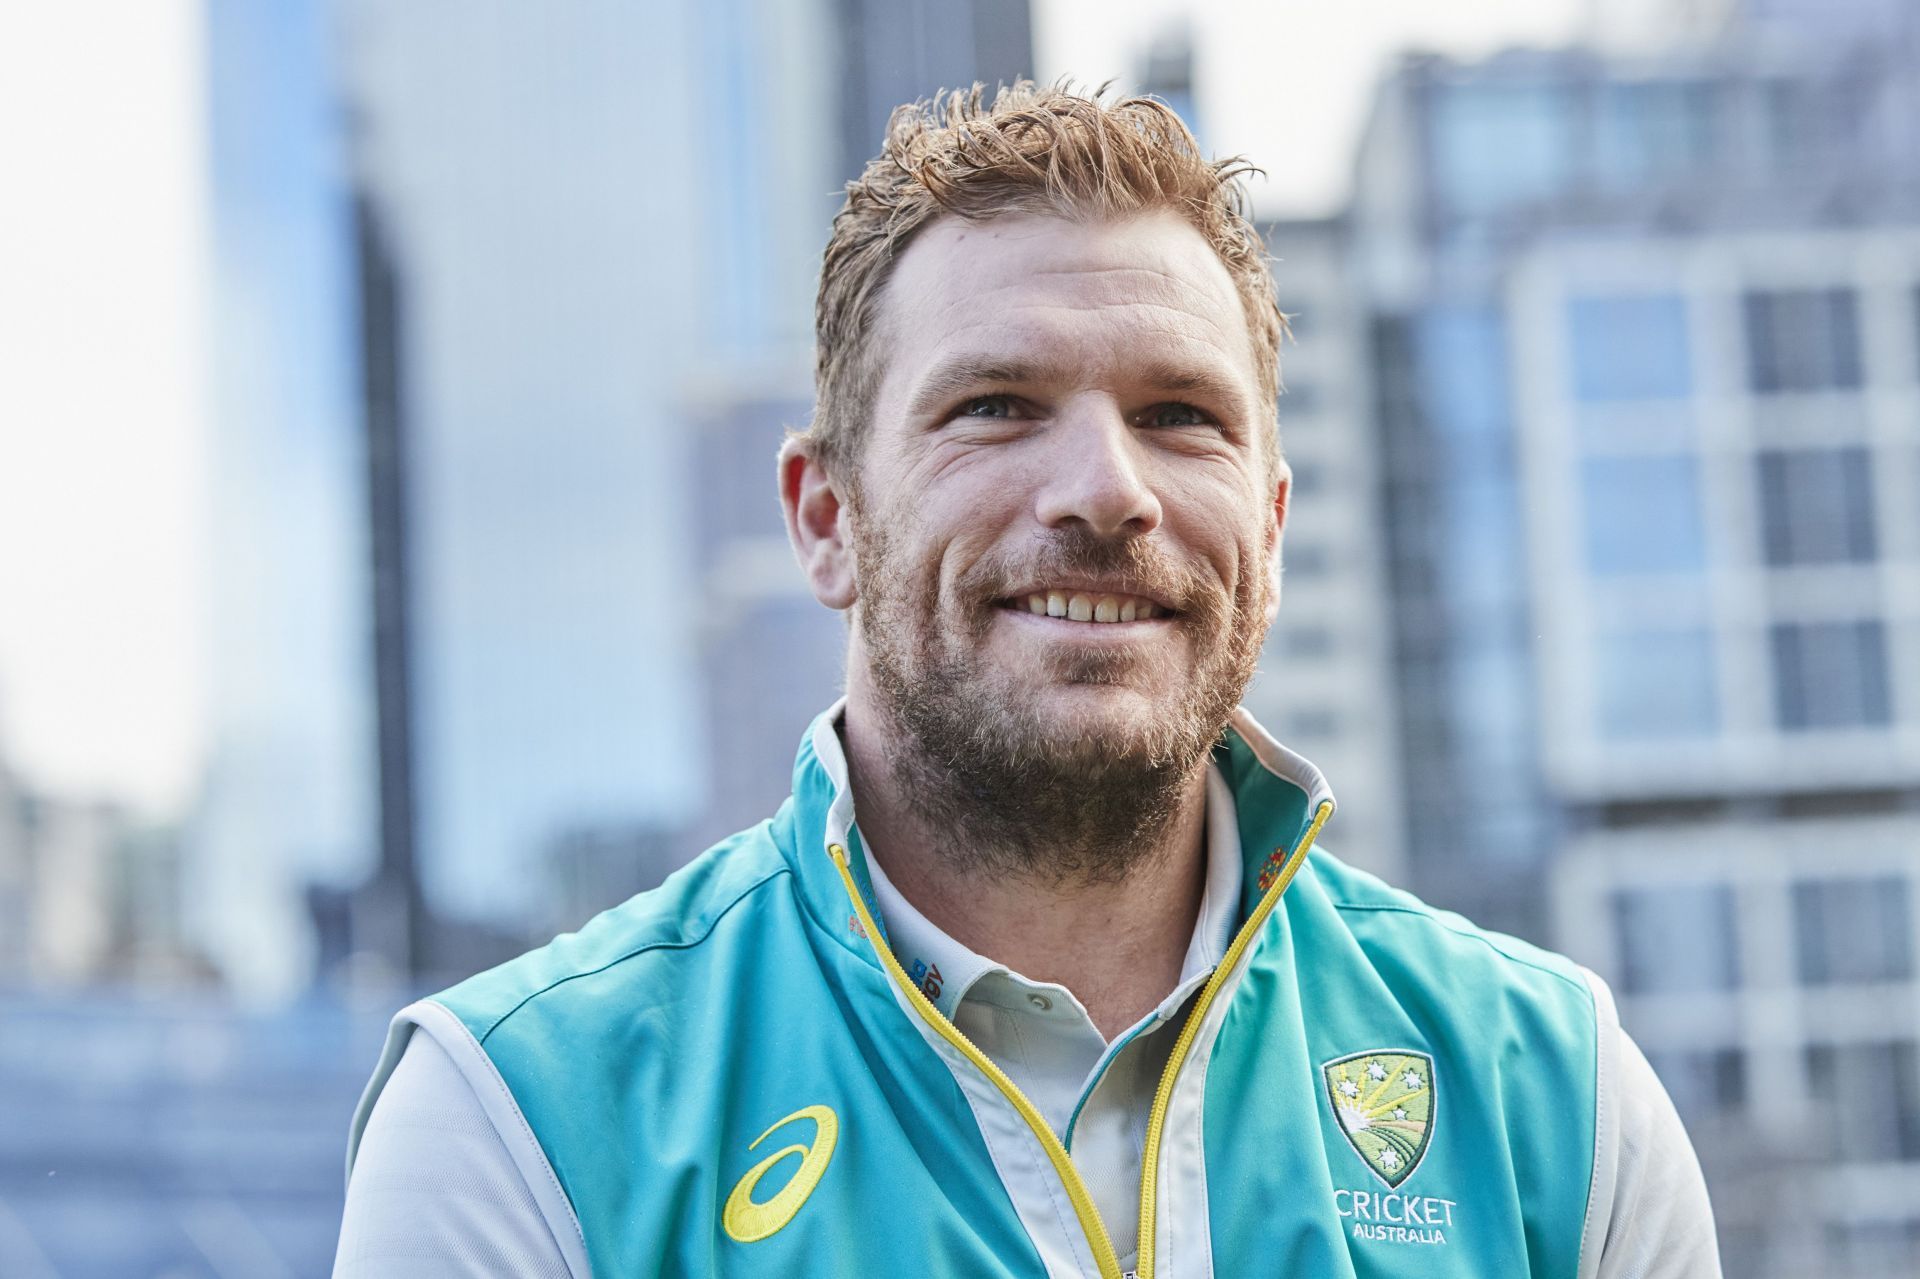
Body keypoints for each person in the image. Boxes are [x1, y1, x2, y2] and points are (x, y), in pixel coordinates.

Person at [332, 80, 1720, 1278]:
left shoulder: (1551, 1096)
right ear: (826, 520)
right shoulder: (520, 1123)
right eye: (996, 406)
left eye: (1181, 417)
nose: (1109, 491)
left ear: (1276, 530)